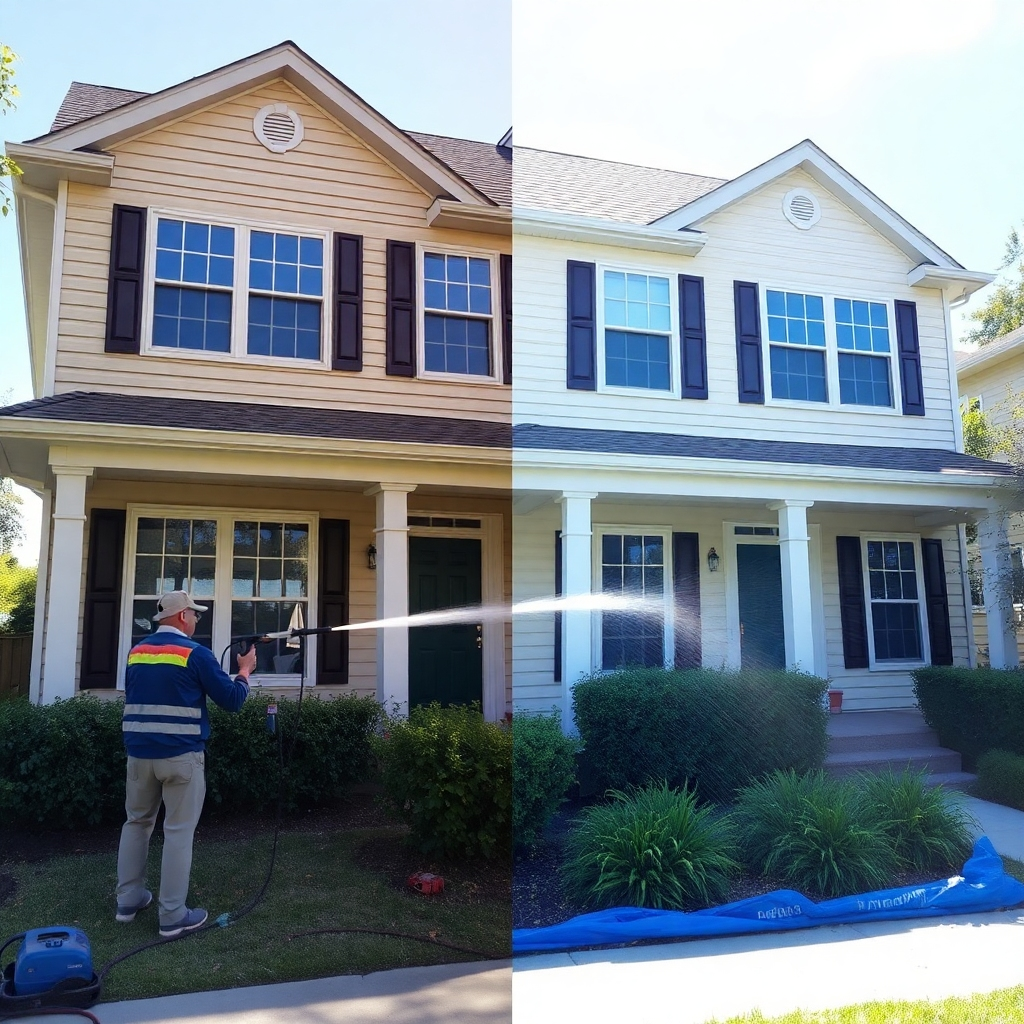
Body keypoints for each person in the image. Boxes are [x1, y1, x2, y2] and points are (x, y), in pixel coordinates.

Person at [115, 590, 256, 937]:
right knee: (178, 833)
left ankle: (128, 901)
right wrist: (244, 671)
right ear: (181, 616)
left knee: (136, 824)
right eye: (195, 614)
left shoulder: (136, 652)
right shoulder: (195, 653)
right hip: (180, 758)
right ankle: (172, 915)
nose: (196, 619)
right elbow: (233, 700)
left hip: (138, 756)